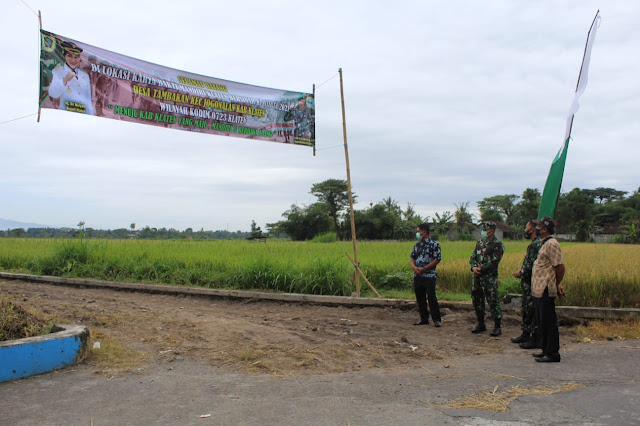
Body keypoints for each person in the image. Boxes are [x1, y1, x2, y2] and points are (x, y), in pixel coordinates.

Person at [531, 216, 565, 363]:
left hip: (546, 288)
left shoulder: (552, 244)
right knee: (542, 322)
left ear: (545, 229)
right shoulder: (544, 243)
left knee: (549, 322)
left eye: (539, 227)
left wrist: (556, 284)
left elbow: (560, 267)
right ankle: (545, 350)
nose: (536, 229)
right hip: (539, 289)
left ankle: (552, 353)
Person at [469, 222, 504, 336]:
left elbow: (494, 260)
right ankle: (481, 324)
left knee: (492, 301)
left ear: (492, 231)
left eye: (485, 229)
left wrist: (481, 268)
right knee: (477, 300)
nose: (483, 231)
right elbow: (473, 257)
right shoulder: (480, 243)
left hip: (489, 278)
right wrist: (473, 267)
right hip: (477, 277)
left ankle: (497, 326)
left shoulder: (497, 244)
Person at [511, 220, 542, 349]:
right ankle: (525, 334)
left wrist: (520, 273)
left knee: (531, 310)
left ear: (532, 229)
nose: (525, 230)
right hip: (529, 283)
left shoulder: (535, 245)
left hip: (531, 283)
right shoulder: (536, 244)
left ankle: (534, 338)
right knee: (527, 309)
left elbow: (531, 266)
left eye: (526, 228)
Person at [48, 41, 94, 115]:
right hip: (66, 114)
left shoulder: (85, 75)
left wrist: (91, 116)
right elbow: (53, 93)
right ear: (64, 56)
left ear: (80, 59)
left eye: (76, 57)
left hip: (82, 115)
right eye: (69, 56)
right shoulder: (58, 72)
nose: (73, 60)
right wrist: (65, 79)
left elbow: (88, 100)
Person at [409, 223, 442, 327]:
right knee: (420, 298)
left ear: (424, 232)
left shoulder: (434, 245)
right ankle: (424, 319)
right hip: (418, 275)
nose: (417, 233)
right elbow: (412, 257)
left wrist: (424, 269)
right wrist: (414, 267)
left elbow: (437, 259)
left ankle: (436, 319)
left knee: (431, 298)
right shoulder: (417, 245)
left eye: (418, 231)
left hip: (429, 275)